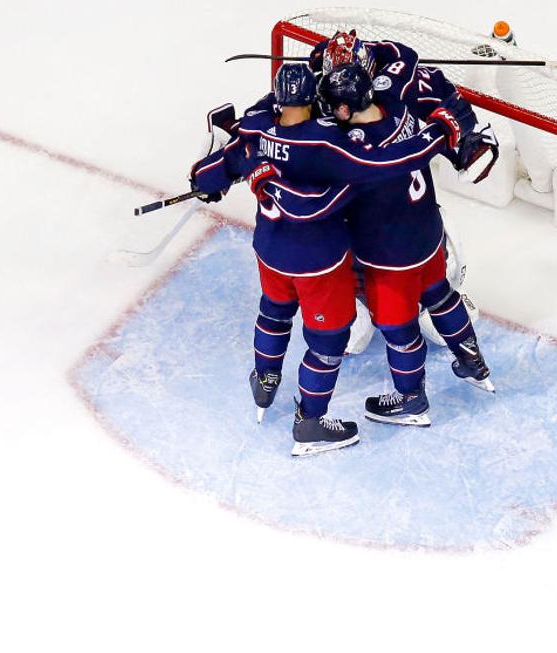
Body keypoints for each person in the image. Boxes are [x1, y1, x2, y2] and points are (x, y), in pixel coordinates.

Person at [189, 64, 469, 456]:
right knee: (328, 341)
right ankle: (310, 424)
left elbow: (212, 171)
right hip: (319, 263)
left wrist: (208, 182)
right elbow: (387, 165)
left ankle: (266, 376)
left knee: (273, 312)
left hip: (270, 253)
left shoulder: (255, 127)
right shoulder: (328, 145)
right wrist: (441, 132)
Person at [316, 33, 498, 427]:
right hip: (429, 237)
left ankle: (411, 400)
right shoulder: (401, 108)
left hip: (387, 256)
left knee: (398, 328)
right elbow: (404, 62)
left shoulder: (352, 149)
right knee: (440, 294)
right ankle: (474, 361)